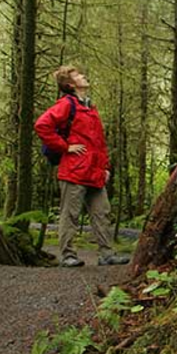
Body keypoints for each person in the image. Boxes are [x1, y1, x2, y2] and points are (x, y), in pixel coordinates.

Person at [34, 65, 128, 267]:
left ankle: (107, 255)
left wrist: (105, 168)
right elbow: (42, 125)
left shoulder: (90, 107)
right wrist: (65, 147)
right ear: (70, 84)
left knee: (102, 213)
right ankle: (68, 255)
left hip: (95, 173)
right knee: (70, 215)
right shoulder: (67, 104)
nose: (83, 76)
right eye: (77, 75)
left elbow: (99, 143)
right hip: (74, 171)